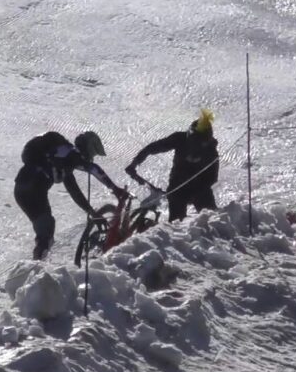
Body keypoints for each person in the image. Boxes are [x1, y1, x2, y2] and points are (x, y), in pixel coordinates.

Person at [15, 131, 128, 260]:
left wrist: (92, 213)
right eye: (93, 152)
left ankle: (37, 260)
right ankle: (37, 263)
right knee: (46, 231)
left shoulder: (63, 162)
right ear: (88, 148)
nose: (91, 157)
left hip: (22, 191)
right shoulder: (69, 153)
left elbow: (75, 192)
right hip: (33, 191)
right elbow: (92, 168)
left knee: (46, 232)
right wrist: (115, 189)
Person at [126, 109, 219, 222]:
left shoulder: (211, 152)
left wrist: (196, 189)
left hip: (200, 190)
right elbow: (153, 147)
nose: (196, 146)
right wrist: (135, 162)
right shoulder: (180, 139)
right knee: (176, 223)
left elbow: (212, 178)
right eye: (194, 141)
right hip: (177, 187)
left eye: (201, 142)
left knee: (212, 220)